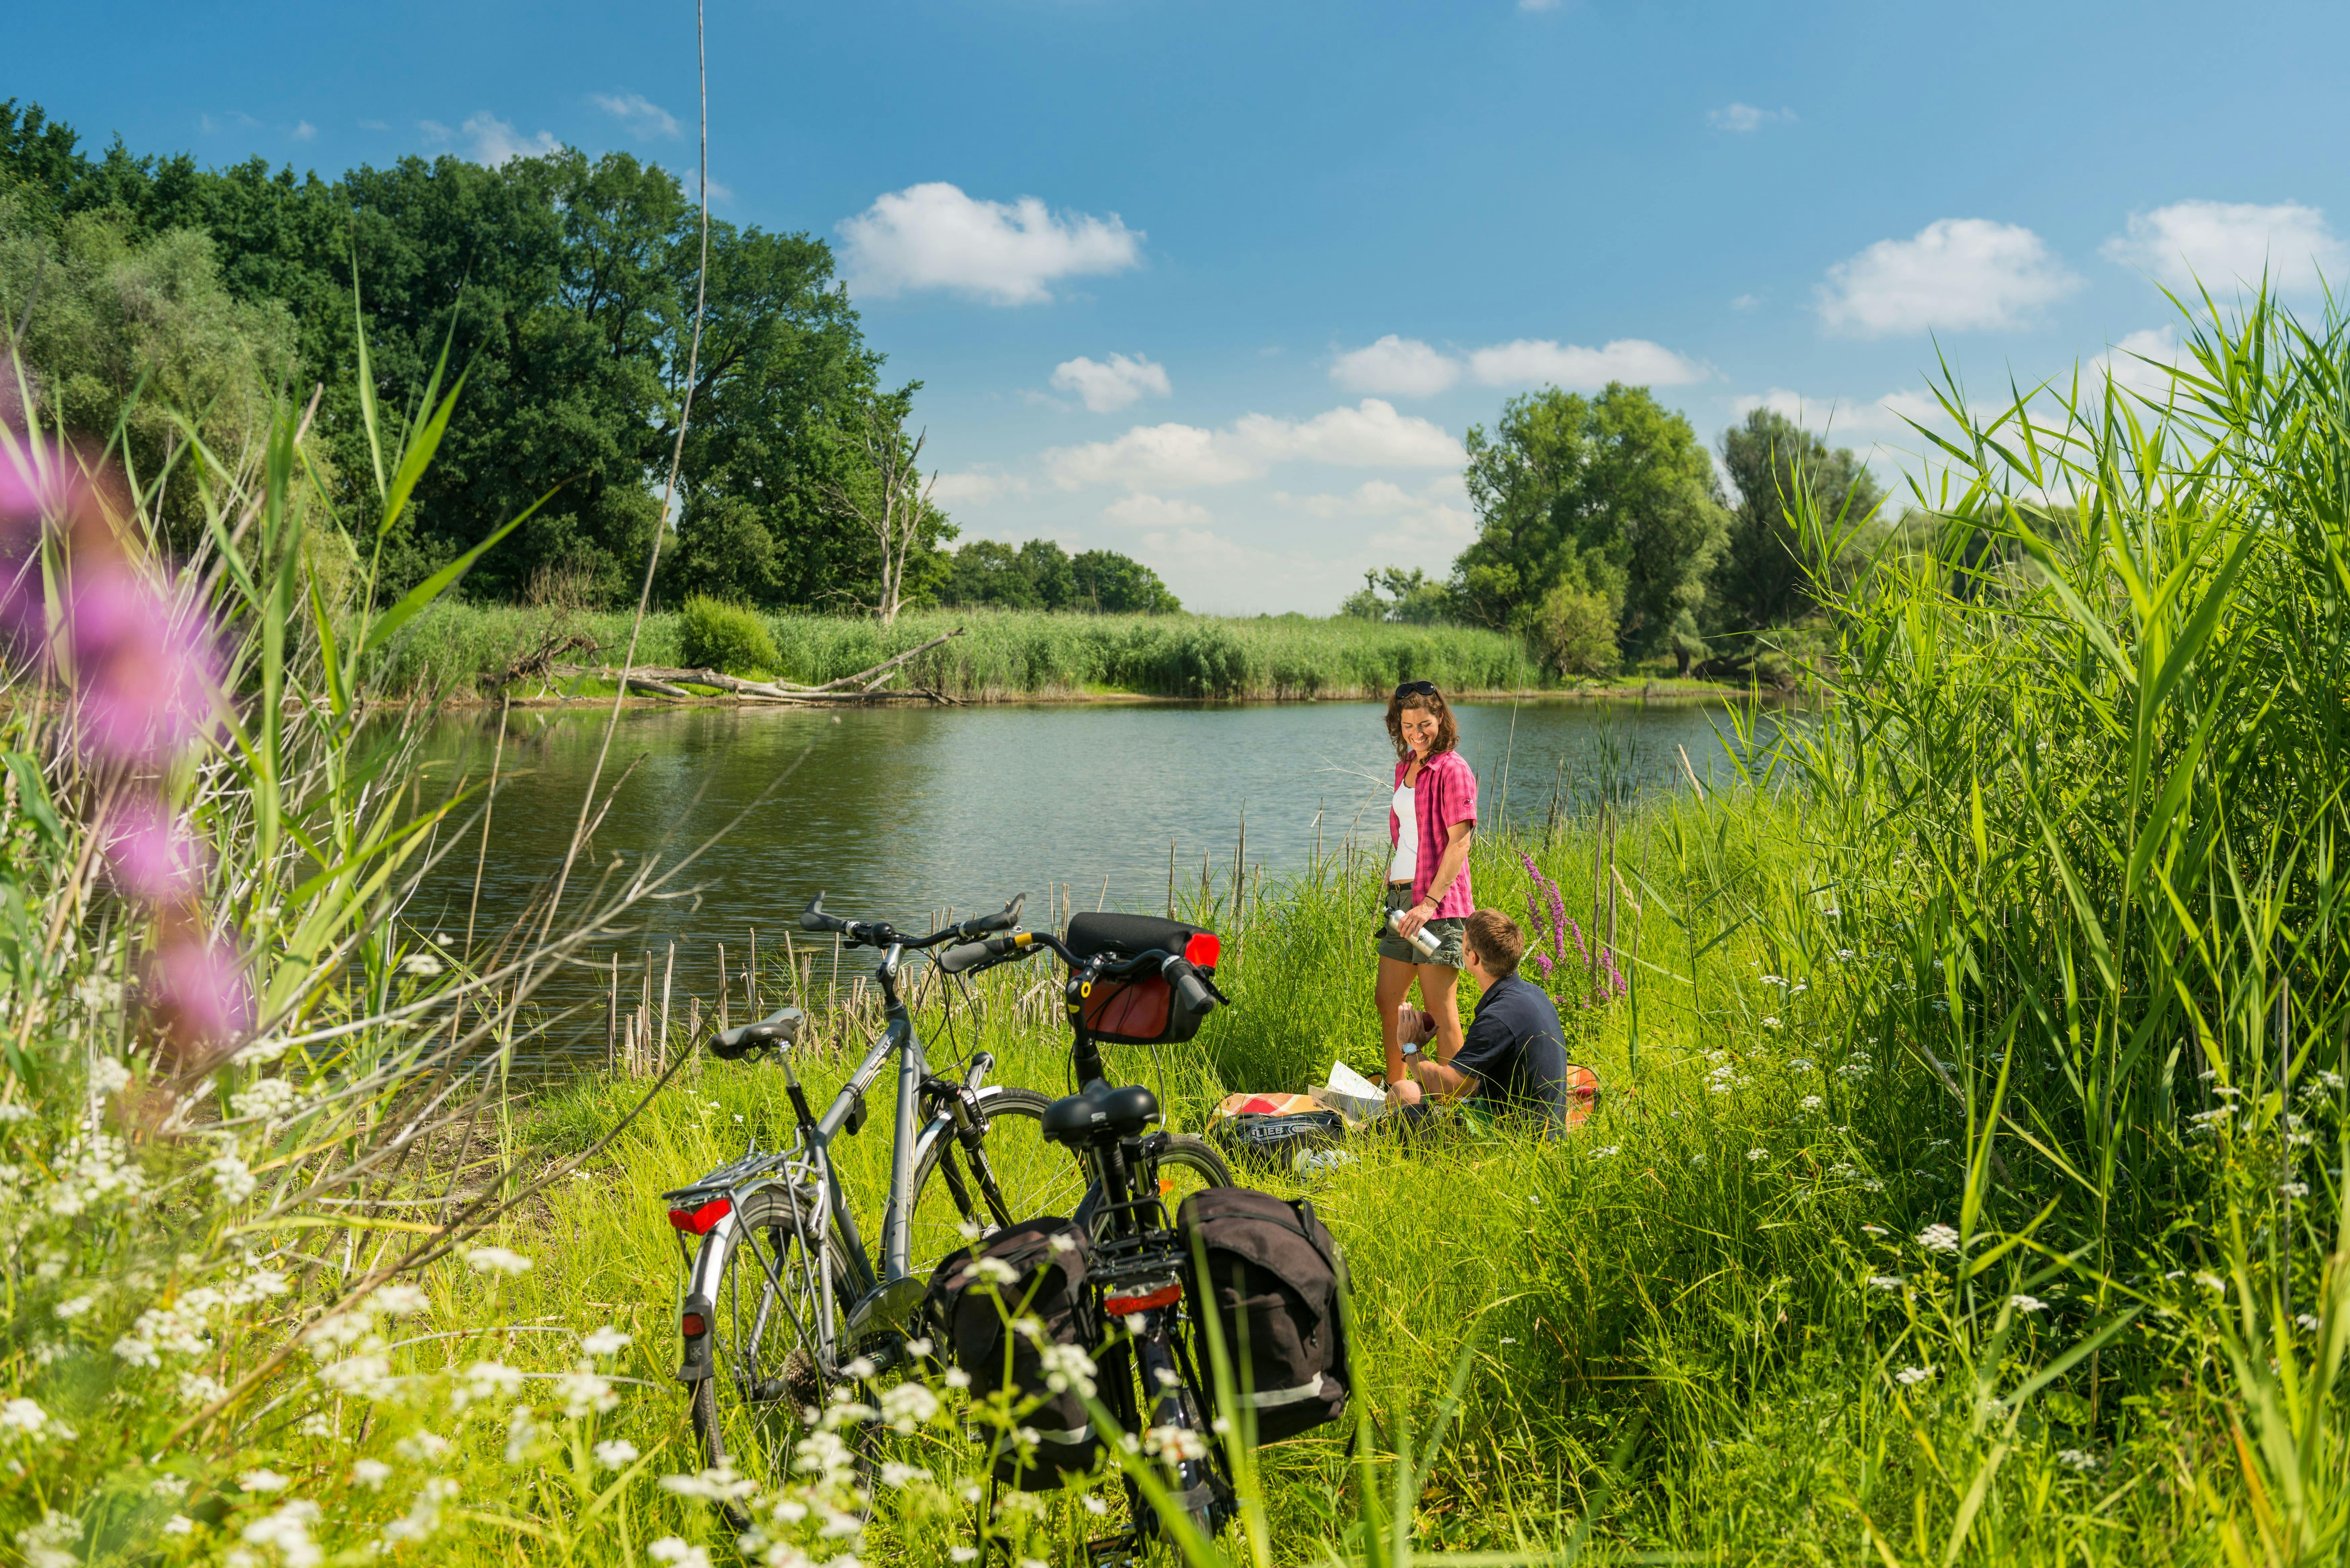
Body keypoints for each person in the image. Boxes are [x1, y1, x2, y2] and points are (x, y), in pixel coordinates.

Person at [1388, 909, 1573, 1132]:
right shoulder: (1532, 994)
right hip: (1543, 1126)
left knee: (1403, 1093)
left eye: (1462, 943)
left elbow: (1448, 1088)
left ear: (1473, 957)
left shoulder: (1498, 1018)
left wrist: (1410, 1048)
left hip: (1515, 1139)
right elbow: (1474, 1081)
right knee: (1410, 1092)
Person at [1376, 680, 1477, 1086]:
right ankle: (1401, 1093)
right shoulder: (1405, 768)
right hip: (1401, 902)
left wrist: (1429, 903)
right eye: (1407, 725)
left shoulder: (1453, 768)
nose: (1416, 733)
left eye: (1425, 723)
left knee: (1440, 1007)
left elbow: (1461, 842)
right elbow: (1409, 835)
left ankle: (1453, 1106)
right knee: (1390, 1003)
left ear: (1442, 720)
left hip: (1437, 907)